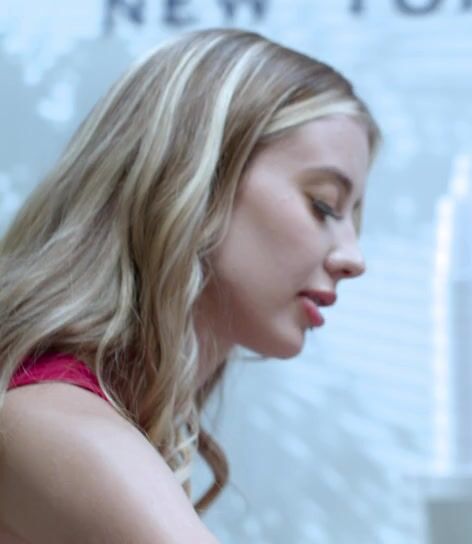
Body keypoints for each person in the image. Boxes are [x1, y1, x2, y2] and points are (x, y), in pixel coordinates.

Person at [0, 28, 380, 543]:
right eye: (323, 205)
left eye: (353, 217)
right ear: (195, 182)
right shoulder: (57, 423)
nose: (353, 258)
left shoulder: (77, 417)